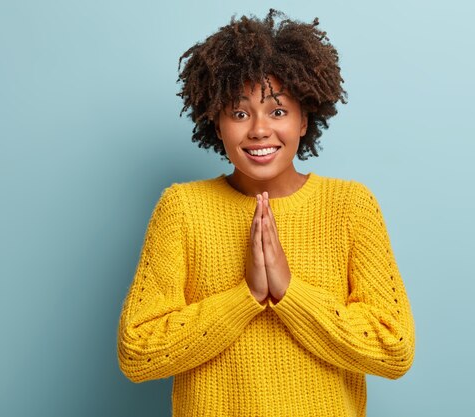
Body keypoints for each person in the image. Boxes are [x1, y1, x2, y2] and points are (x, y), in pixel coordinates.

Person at [117, 8, 415, 417]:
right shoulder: (182, 208)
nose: (259, 129)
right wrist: (247, 296)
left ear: (304, 120)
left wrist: (290, 293)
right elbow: (138, 351)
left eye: (278, 111)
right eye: (239, 113)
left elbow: (393, 348)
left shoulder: (350, 206)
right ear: (216, 123)